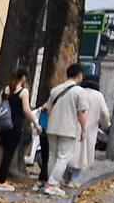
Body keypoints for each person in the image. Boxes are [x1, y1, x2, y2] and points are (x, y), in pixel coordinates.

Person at [40, 64, 104, 194]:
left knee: (52, 156)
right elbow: (81, 113)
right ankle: (52, 184)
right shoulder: (79, 92)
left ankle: (50, 182)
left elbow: (49, 109)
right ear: (79, 75)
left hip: (52, 127)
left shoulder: (56, 90)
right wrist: (84, 130)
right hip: (68, 129)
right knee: (63, 158)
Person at [0, 70, 33, 191]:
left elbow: (0, 107)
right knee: (8, 154)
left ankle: (1, 178)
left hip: (3, 126)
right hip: (15, 126)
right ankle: (1, 181)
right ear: (23, 77)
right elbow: (26, 109)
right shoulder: (23, 91)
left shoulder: (5, 90)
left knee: (5, 152)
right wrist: (35, 122)